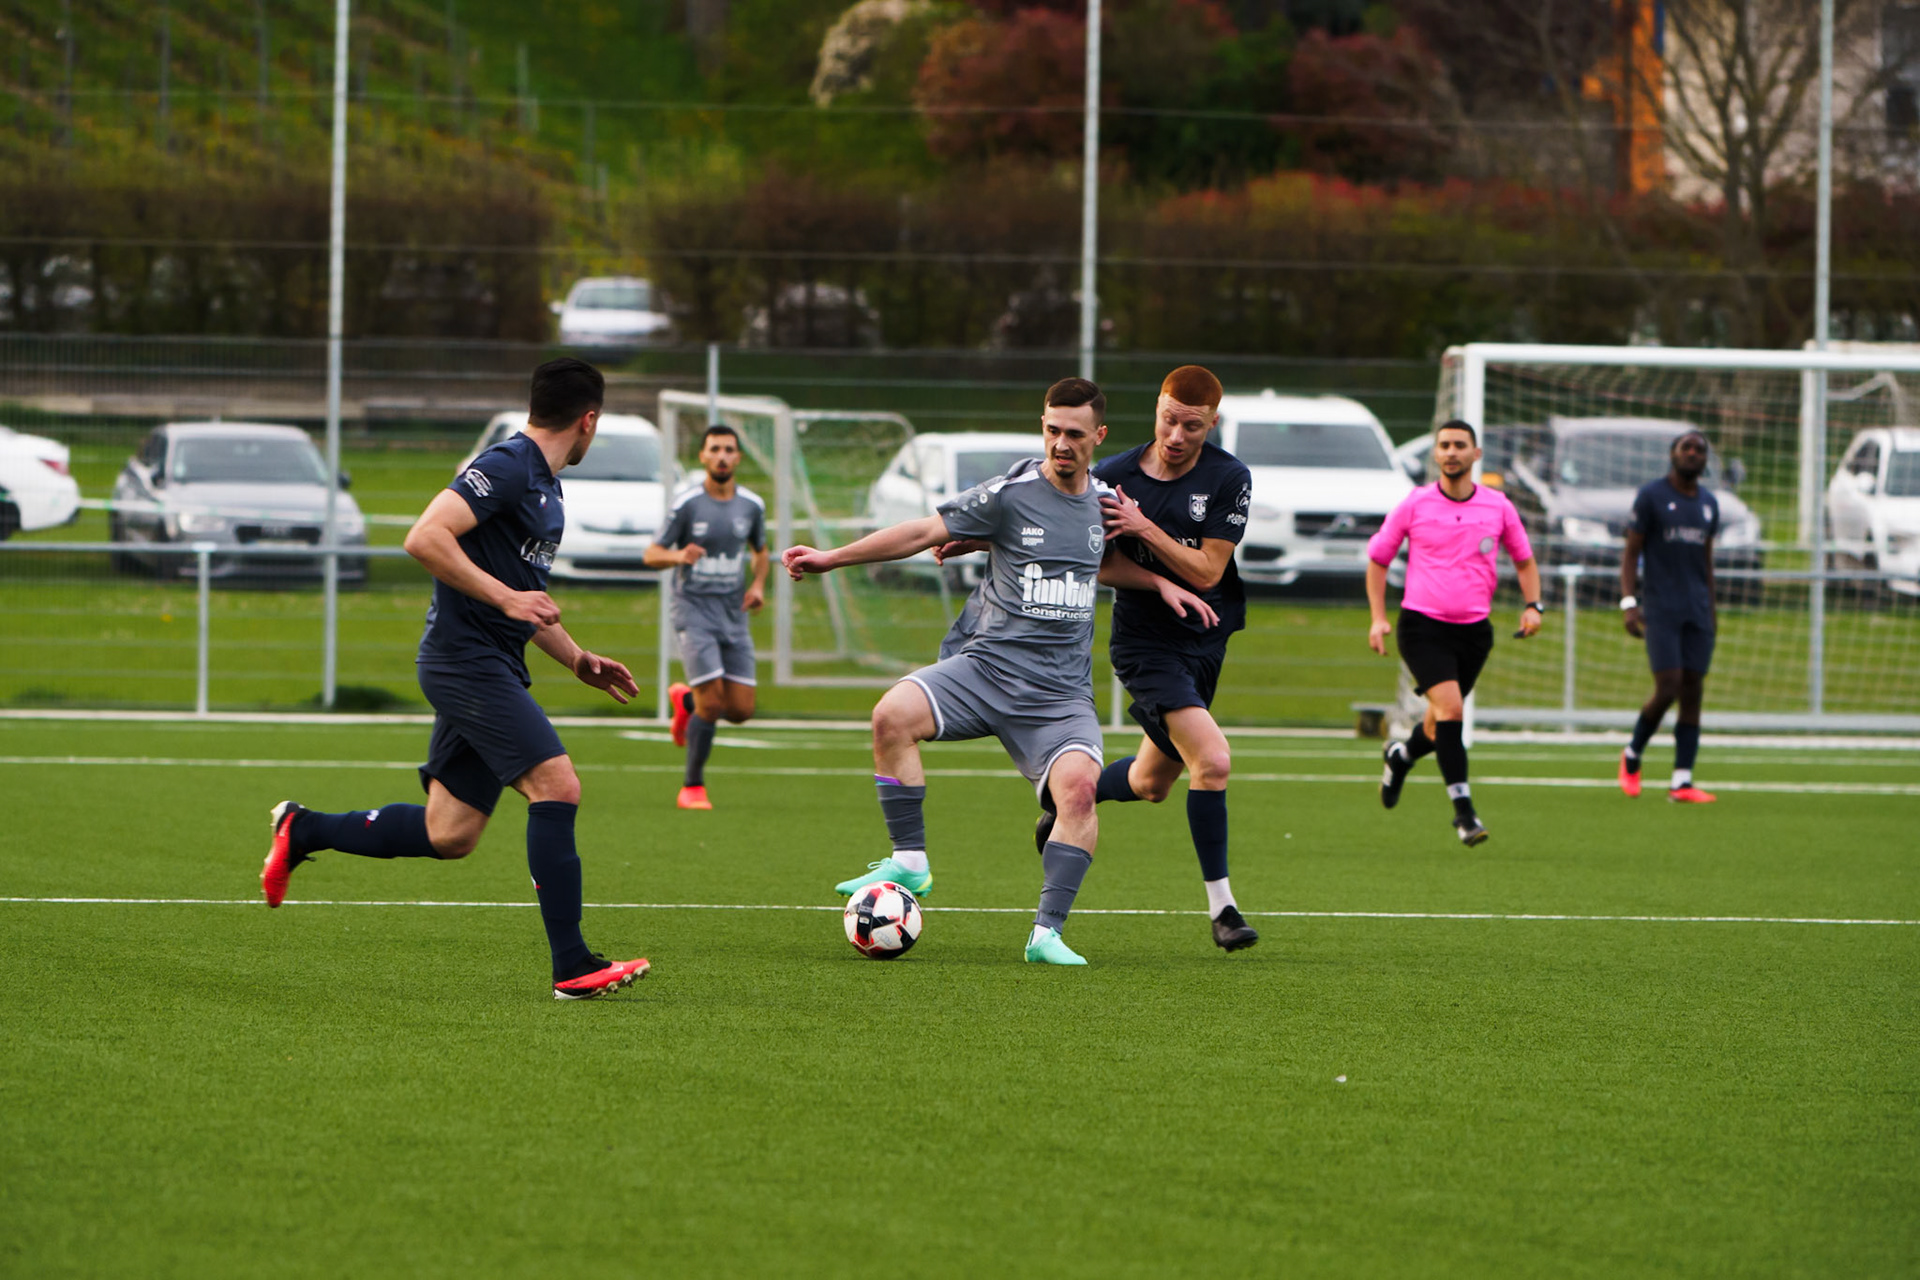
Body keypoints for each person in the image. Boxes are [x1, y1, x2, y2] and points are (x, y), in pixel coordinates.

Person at [781, 377, 1219, 966]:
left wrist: (1162, 581)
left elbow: (1102, 564)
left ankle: (1047, 935)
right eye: (1053, 431)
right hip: (985, 669)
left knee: (1081, 793)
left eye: (1074, 434)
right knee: (891, 715)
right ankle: (910, 860)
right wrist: (831, 557)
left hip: (1058, 695)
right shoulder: (1011, 492)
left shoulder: (1108, 503)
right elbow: (921, 531)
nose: (1061, 444)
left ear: (1100, 436)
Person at [259, 358, 650, 1001]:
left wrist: (576, 657)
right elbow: (424, 537)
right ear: (589, 421)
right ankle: (573, 963)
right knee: (558, 784)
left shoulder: (546, 486)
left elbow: (526, 600)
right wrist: (505, 599)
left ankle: (303, 828)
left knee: (451, 834)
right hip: (464, 662)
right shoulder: (507, 466)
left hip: (491, 662)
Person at [1027, 364, 1259, 952]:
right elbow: (1090, 559)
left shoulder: (1230, 477)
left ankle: (1066, 796)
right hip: (1145, 647)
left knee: (1152, 782)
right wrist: (1153, 576)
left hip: (1207, 640)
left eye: (1193, 426)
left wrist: (1144, 527)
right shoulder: (1112, 476)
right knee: (1214, 761)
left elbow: (1208, 570)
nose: (1178, 436)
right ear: (1156, 407)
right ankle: (1223, 909)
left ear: (1211, 423)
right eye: (1169, 420)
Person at [1368, 419, 1543, 845]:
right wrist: (1378, 617)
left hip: (1474, 633)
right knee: (1451, 713)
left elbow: (1524, 560)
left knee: (1436, 726)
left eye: (1459, 445)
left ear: (1475, 454)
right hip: (1422, 627)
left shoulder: (1499, 506)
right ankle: (1463, 813)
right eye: (1444, 445)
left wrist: (1533, 606)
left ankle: (1400, 756)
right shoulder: (1415, 503)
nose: (1451, 452)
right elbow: (1378, 559)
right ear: (1435, 454)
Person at [643, 424, 769, 810]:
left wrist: (759, 585)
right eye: (714, 449)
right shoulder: (686, 505)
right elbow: (651, 554)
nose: (722, 456)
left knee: (742, 710)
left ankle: (686, 704)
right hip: (693, 611)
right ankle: (692, 787)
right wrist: (678, 556)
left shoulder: (752, 505)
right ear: (702, 456)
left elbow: (760, 550)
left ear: (738, 458)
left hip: (733, 615)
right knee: (713, 706)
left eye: (729, 450)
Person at [1617, 430, 1720, 803]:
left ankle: (1682, 780)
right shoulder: (1652, 497)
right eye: (1686, 447)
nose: (1693, 453)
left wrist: (1712, 610)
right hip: (1660, 608)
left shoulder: (1709, 504)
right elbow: (1631, 554)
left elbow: (1706, 564)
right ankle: (1632, 754)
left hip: (1697, 610)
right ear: (1673, 454)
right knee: (1669, 685)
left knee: (1694, 688)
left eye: (1699, 449)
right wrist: (1629, 602)